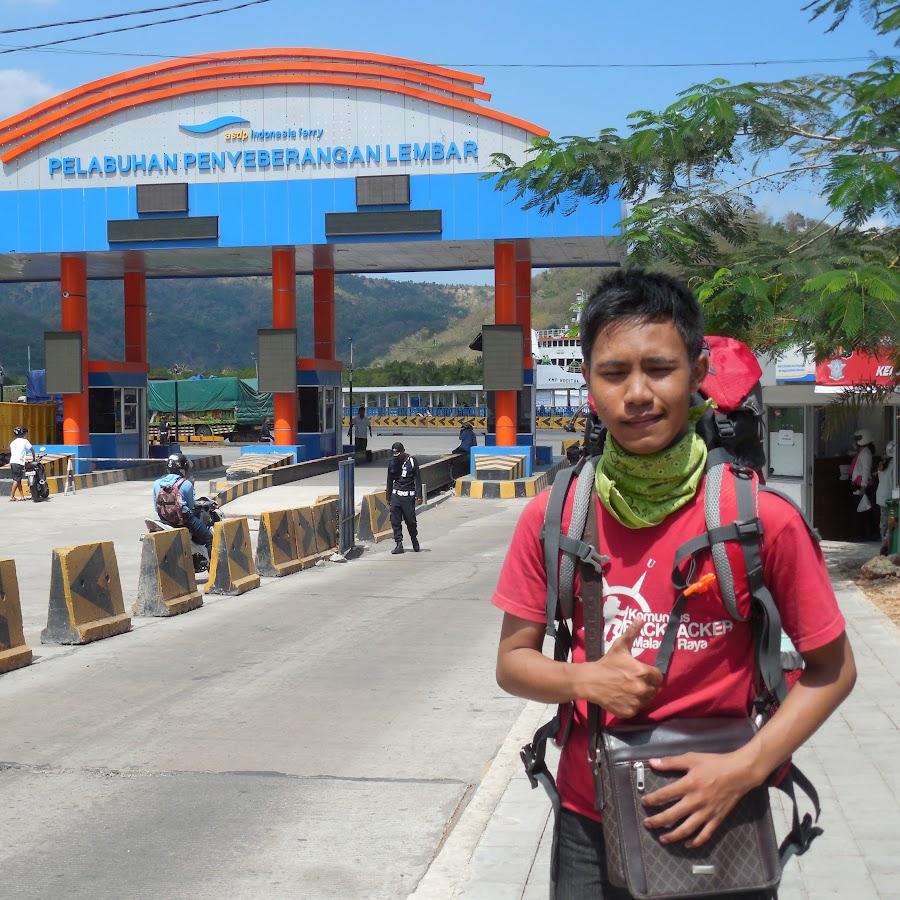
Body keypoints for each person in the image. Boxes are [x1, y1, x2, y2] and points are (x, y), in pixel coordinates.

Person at [492, 268, 856, 899]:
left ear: (697, 371)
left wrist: (745, 770)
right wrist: (584, 680)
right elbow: (512, 663)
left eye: (660, 369)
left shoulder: (759, 519)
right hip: (589, 820)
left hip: (723, 813)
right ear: (588, 383)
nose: (637, 394)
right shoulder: (555, 516)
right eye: (613, 373)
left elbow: (834, 669)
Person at [152, 453, 214, 559]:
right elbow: (191, 506)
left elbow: (156, 506)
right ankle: (214, 567)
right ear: (183, 469)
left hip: (164, 519)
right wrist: (192, 487)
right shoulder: (186, 484)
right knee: (209, 538)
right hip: (184, 520)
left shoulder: (157, 483)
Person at [386, 441, 422, 554]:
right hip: (396, 495)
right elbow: (389, 480)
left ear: (403, 451)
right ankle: (399, 544)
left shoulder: (412, 461)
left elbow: (418, 478)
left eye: (399, 454)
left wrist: (419, 495)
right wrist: (388, 497)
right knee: (395, 521)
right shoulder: (392, 462)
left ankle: (414, 539)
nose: (397, 457)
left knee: (410, 521)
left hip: (408, 496)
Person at [850, 428, 877, 540]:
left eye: (858, 439)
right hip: (859, 484)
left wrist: (863, 486)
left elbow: (866, 471)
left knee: (862, 511)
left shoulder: (865, 453)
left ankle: (862, 535)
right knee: (864, 510)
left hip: (863, 485)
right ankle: (869, 534)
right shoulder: (862, 452)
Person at [876, 439, 896, 555]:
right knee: (891, 521)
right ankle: (885, 544)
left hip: (881, 495)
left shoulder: (883, 463)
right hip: (890, 496)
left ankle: (883, 543)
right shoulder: (895, 464)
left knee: (883, 521)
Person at [9, 425, 35, 502]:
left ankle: (22, 496)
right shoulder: (24, 441)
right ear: (22, 434)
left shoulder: (13, 443)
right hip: (19, 462)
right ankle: (12, 496)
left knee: (18, 479)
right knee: (16, 480)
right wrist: (34, 458)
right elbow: (32, 449)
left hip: (12, 462)